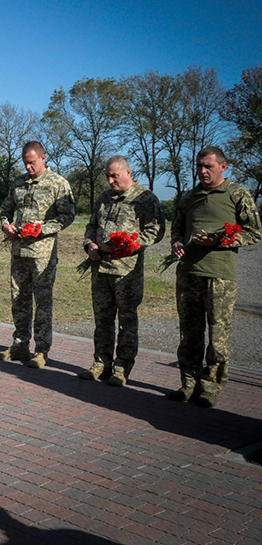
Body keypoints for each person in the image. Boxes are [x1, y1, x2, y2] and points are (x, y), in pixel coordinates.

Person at [169, 146, 261, 407]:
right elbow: (177, 228)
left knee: (218, 336)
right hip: (188, 274)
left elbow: (255, 232)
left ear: (223, 166)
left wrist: (220, 241)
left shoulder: (237, 194)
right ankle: (188, 383)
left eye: (208, 166)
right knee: (189, 333)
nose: (202, 171)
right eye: (199, 166)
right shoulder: (189, 196)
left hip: (220, 276)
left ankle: (210, 387)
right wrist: (176, 244)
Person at [79, 156, 165, 386]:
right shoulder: (104, 197)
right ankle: (101, 363)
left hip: (127, 271)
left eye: (114, 175)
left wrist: (130, 245)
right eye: (107, 175)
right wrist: (90, 245)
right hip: (101, 269)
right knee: (102, 320)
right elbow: (92, 225)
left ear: (128, 172)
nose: (110, 180)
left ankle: (122, 367)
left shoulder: (145, 198)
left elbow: (156, 230)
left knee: (126, 321)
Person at [0, 141, 75, 368]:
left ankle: (41, 350)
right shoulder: (18, 183)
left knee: (42, 302)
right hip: (19, 251)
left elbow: (67, 216)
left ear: (43, 158)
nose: (28, 167)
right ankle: (20, 345)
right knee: (19, 299)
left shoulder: (58, 184)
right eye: (25, 163)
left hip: (43, 254)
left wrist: (42, 229)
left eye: (32, 162)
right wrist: (5, 225)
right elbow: (6, 209)